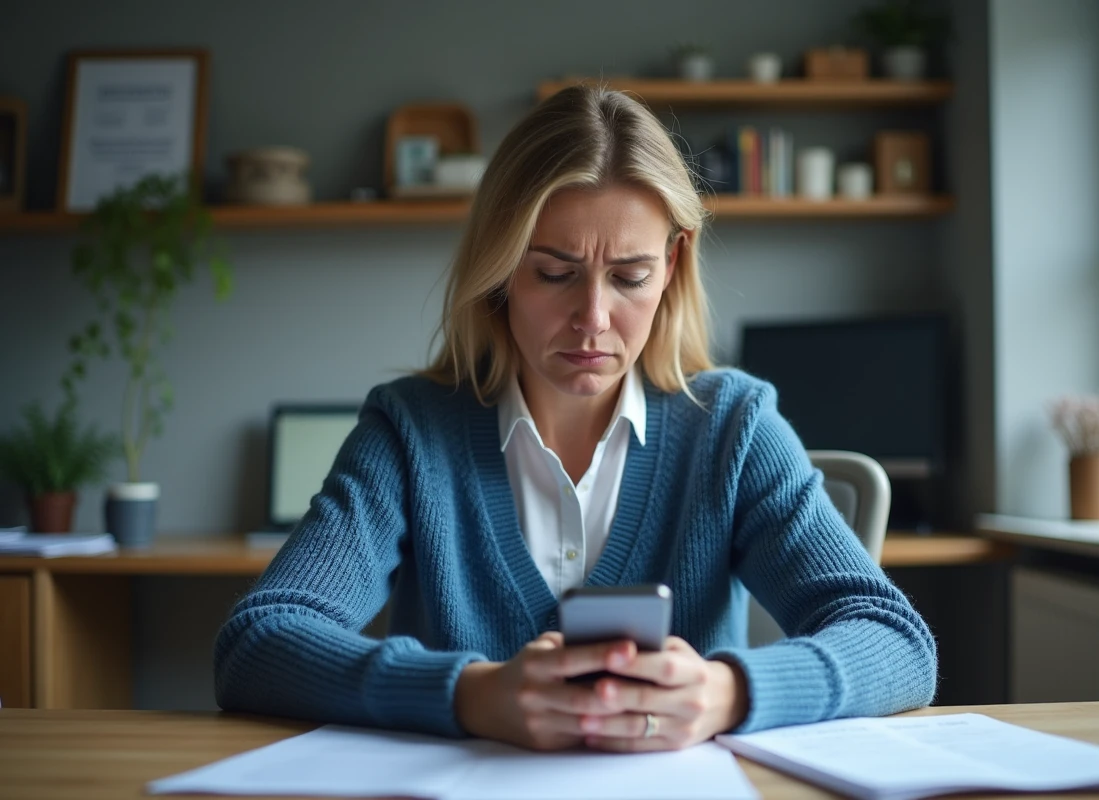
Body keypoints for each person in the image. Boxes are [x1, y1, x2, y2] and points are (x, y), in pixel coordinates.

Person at [213, 85, 937, 753]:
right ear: (501, 267)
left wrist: (728, 692)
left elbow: (896, 641)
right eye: (554, 273)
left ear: (673, 265)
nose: (593, 318)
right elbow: (259, 641)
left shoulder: (734, 429)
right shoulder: (410, 432)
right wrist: (469, 695)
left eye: (630, 276)